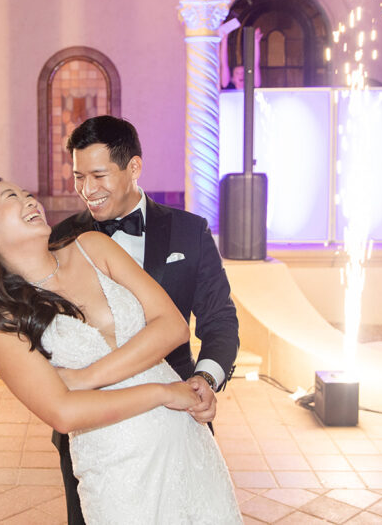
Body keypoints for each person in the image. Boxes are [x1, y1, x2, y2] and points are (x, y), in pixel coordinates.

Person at [0, 179, 241, 524]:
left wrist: (86, 378)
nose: (29, 200)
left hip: (185, 442)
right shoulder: (2, 317)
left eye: (27, 194)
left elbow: (173, 326)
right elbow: (63, 412)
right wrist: (161, 393)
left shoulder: (93, 247)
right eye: (11, 198)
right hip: (117, 470)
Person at [50, 115, 240, 525]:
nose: (87, 190)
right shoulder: (61, 239)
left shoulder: (189, 232)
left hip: (176, 417)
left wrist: (205, 381)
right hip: (93, 429)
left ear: (134, 167)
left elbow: (219, 319)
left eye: (99, 175)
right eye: (79, 177)